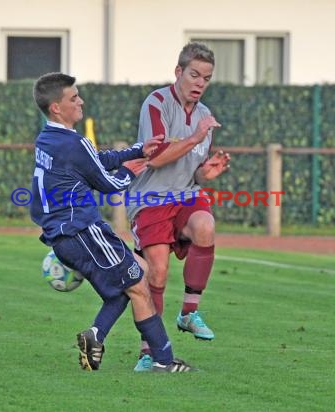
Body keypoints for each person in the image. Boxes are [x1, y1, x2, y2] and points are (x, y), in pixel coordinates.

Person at [29, 72, 194, 372]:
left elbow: (93, 161)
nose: (81, 101)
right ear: (56, 108)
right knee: (139, 287)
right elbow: (107, 183)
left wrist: (137, 150)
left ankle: (95, 336)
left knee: (137, 275)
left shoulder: (49, 138)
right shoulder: (72, 143)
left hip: (71, 235)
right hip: (84, 233)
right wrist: (132, 170)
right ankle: (163, 361)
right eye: (73, 98)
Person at [126, 42, 231, 371]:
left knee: (205, 226)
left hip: (185, 194)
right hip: (151, 199)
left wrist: (205, 172)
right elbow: (155, 159)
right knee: (156, 271)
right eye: (194, 75)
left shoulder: (204, 117)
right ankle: (149, 352)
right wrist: (196, 139)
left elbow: (193, 169)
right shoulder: (157, 103)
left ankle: (188, 313)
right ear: (178, 72)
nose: (200, 83)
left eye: (207, 78)